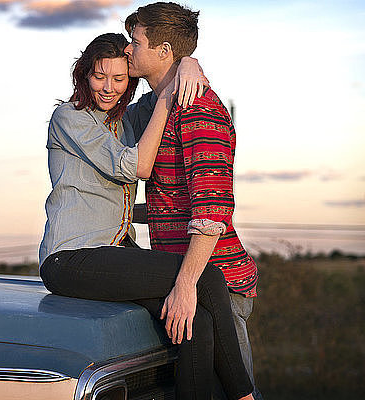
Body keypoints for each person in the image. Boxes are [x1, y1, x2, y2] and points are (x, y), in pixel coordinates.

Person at [38, 32, 254, 400]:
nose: (108, 88)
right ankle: (244, 395)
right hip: (70, 258)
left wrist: (188, 62)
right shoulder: (69, 118)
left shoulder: (129, 119)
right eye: (99, 76)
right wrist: (168, 100)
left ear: (130, 80)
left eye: (119, 79)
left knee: (192, 319)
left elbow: (162, 86)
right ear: (84, 75)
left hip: (115, 252)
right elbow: (136, 165)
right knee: (206, 276)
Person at [122, 3, 262, 399]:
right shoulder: (160, 107)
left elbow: (211, 209)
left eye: (136, 42)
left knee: (234, 394)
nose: (128, 50)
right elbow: (172, 202)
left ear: (164, 50)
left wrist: (185, 286)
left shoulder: (200, 110)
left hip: (214, 282)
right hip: (187, 278)